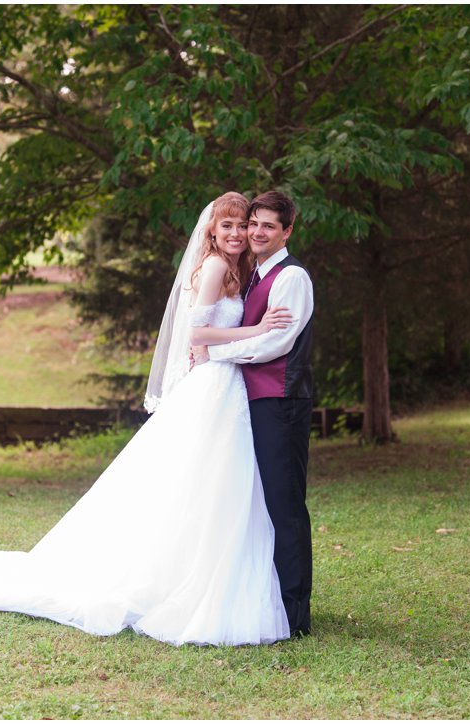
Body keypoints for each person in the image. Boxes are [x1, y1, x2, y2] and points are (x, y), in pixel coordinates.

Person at [0, 192, 295, 646]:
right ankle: (187, 582)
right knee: (209, 482)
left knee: (215, 485)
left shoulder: (238, 271)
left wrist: (221, 345)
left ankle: (200, 575)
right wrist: (256, 330)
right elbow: (197, 331)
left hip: (222, 387)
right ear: (212, 231)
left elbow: (204, 337)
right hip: (215, 387)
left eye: (245, 226)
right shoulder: (217, 267)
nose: (239, 234)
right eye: (230, 226)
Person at [195, 190, 315, 637]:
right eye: (254, 224)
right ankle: (270, 604)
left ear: (286, 231)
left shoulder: (291, 278)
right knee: (257, 504)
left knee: (285, 506)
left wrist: (217, 357)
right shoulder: (249, 276)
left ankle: (295, 613)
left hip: (282, 400)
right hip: (251, 401)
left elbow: (276, 343)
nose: (257, 232)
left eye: (268, 226)